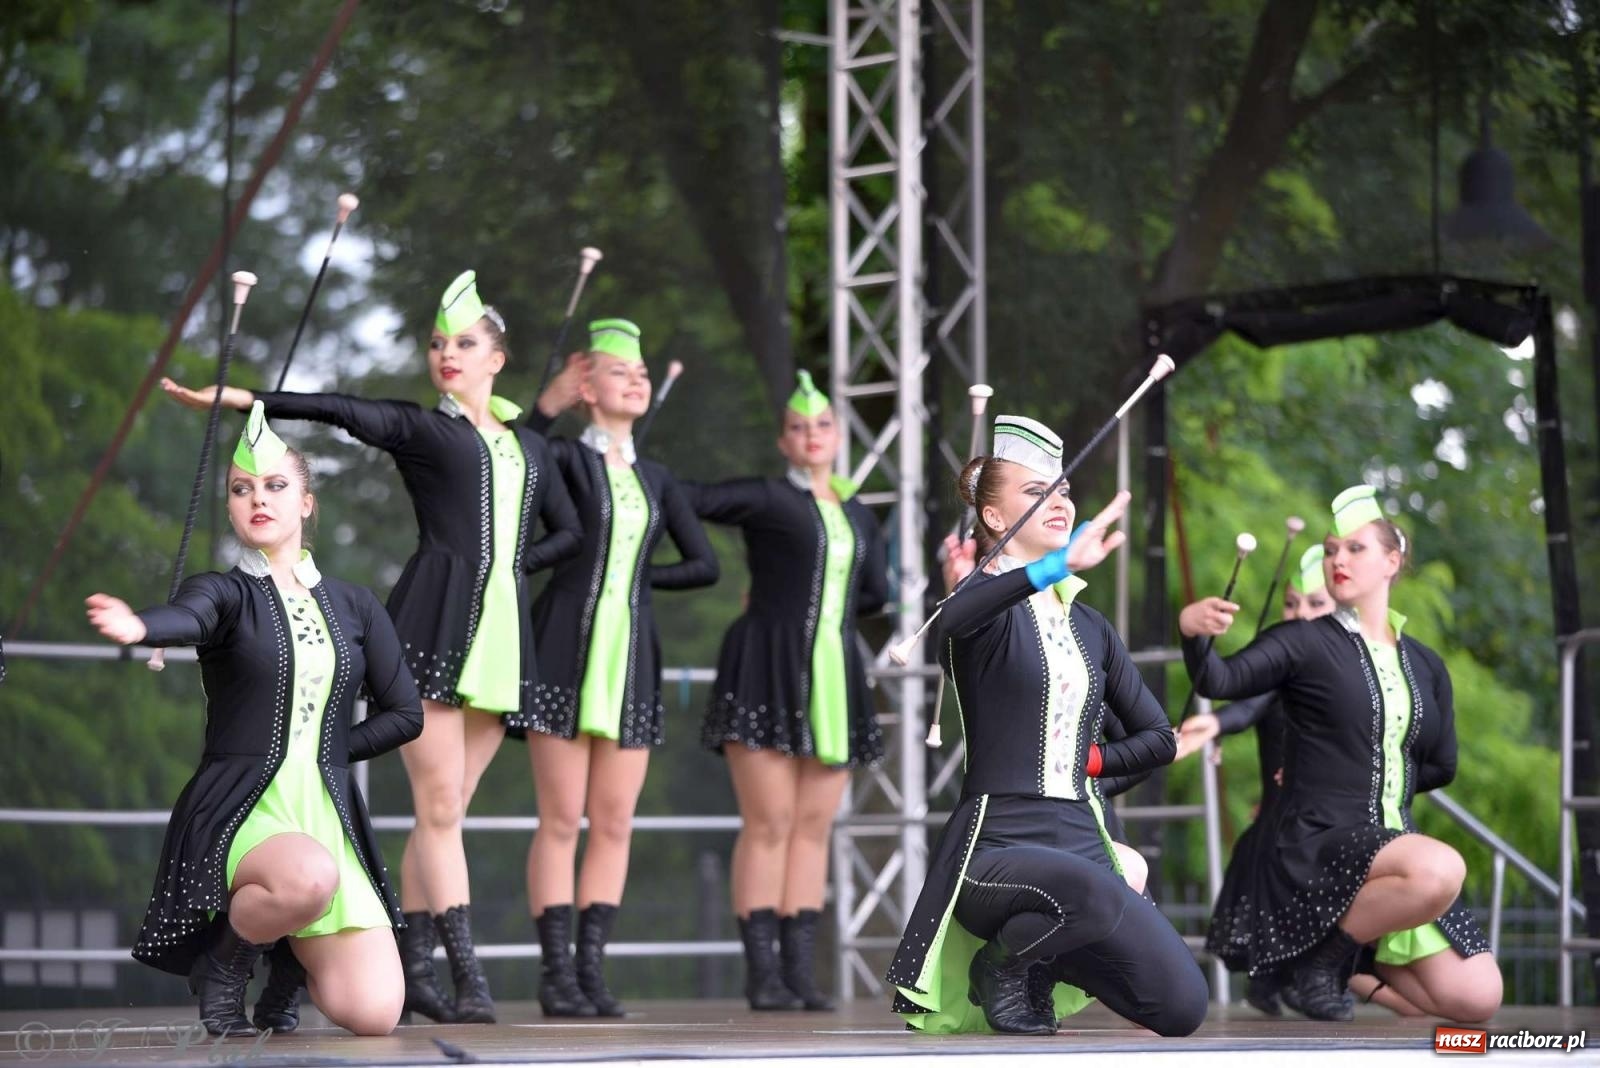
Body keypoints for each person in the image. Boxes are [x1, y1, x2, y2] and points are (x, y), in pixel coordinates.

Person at [160, 270, 582, 1024]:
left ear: (497, 357)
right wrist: (250, 399)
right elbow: (345, 412)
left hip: (497, 636)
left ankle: (414, 966)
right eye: (435, 344)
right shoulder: (429, 430)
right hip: (430, 620)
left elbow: (569, 532)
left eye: (463, 343)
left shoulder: (529, 449)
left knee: (449, 812)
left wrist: (505, 567)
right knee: (442, 806)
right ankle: (466, 976)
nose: (445, 354)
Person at [86, 405, 422, 1036]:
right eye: (242, 490)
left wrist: (327, 751)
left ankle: (287, 961)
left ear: (306, 504)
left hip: (325, 808)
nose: (257, 499)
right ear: (233, 507)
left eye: (274, 486)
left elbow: (405, 713)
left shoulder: (356, 604)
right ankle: (224, 964)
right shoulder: (224, 592)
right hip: (243, 810)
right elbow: (187, 617)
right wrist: (140, 626)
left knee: (375, 1015)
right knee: (308, 876)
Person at [887, 415, 1207, 1037]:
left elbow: (1158, 739)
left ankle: (1043, 960)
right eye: (1036, 492)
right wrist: (1053, 565)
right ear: (996, 520)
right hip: (996, 853)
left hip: (1082, 845)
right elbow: (951, 622)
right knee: (1097, 885)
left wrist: (1085, 765)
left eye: (1062, 490)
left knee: (1181, 1006)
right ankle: (1001, 966)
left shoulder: (1091, 628)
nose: (1059, 500)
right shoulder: (980, 608)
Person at [1179, 485, 1500, 1023]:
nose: (1337, 561)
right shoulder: (1304, 641)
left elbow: (1442, 765)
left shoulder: (1424, 664)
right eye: (1330, 551)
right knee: (1443, 867)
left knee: (1476, 1003)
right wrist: (1193, 633)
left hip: (1394, 853)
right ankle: (1320, 961)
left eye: (1354, 549)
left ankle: (1343, 963)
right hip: (1321, 841)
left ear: (1392, 562)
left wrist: (1363, 770)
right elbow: (1222, 677)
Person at [518, 319, 720, 1017]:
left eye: (639, 373)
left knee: (613, 822)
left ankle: (592, 971)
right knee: (560, 819)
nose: (635, 380)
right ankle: (554, 975)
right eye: (617, 371)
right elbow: (517, 456)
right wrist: (547, 403)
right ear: (587, 386)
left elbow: (704, 563)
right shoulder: (566, 459)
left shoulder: (657, 479)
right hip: (562, 651)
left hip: (630, 657)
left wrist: (630, 579)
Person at [682, 370, 887, 1011]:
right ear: (783, 441)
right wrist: (706, 566)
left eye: (822, 425)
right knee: (768, 823)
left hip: (834, 676)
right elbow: (685, 497)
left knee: (812, 828)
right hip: (765, 666)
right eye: (798, 427)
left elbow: (877, 593)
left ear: (837, 436)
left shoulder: (858, 511)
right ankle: (763, 973)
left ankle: (800, 972)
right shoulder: (766, 497)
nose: (811, 435)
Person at [1174, 544, 1335, 1015]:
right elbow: (1251, 700)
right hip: (1283, 822)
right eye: (1290, 603)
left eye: (1314, 603)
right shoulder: (1283, 657)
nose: (1299, 614)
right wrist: (1216, 724)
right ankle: (1276, 976)